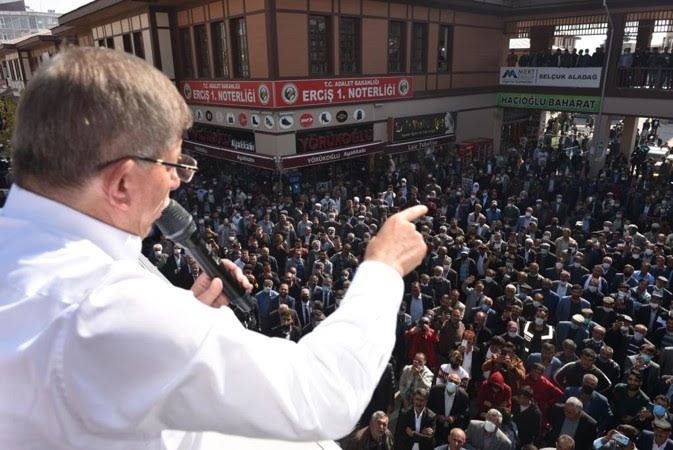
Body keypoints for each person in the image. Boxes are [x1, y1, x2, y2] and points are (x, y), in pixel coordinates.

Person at [0, 47, 430, 448]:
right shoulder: (102, 307)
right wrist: (383, 266)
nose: (176, 182)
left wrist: (189, 322)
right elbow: (323, 395)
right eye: (172, 165)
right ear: (122, 182)